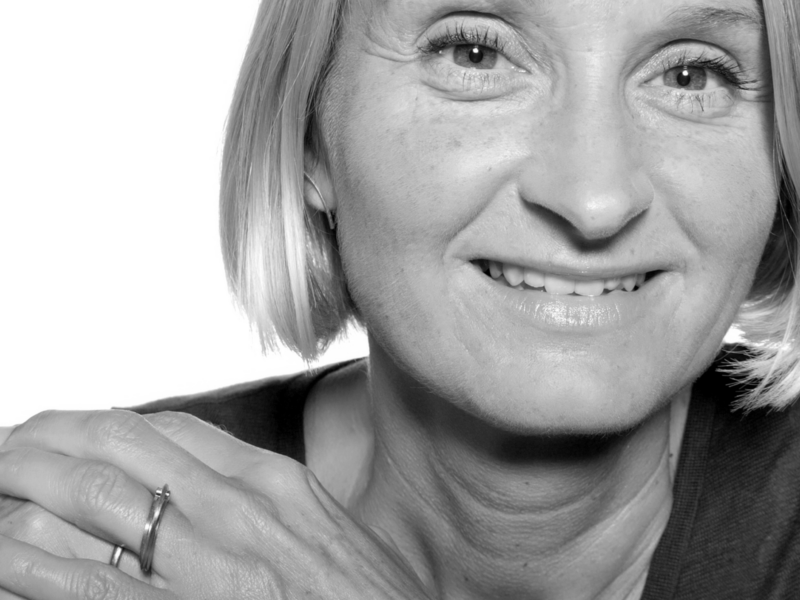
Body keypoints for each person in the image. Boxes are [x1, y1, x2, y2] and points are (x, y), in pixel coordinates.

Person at [0, 0, 798, 598]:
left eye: (692, 75)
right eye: (476, 53)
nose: (595, 200)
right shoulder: (82, 528)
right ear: (311, 129)